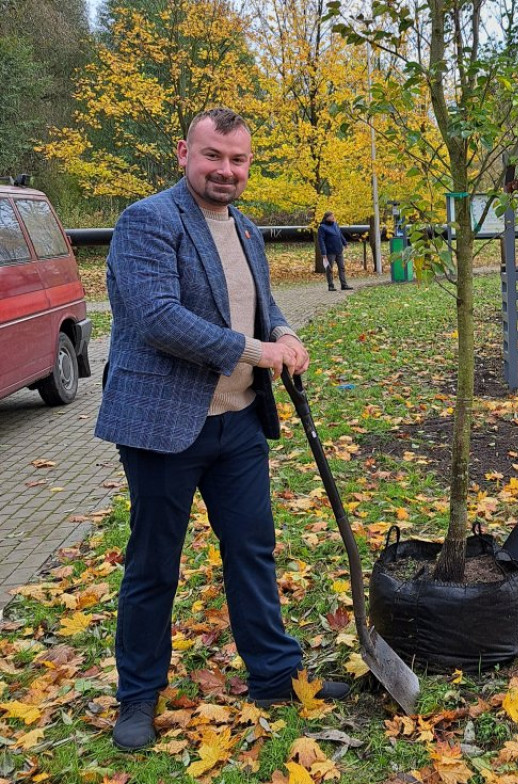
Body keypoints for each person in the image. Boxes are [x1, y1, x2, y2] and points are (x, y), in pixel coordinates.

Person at [96, 108, 350, 752]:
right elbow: (157, 318)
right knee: (155, 565)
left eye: (238, 160)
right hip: (163, 427)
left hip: (236, 423)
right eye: (213, 156)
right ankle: (138, 695)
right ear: (185, 152)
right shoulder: (146, 221)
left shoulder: (244, 227)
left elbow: (262, 304)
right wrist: (256, 350)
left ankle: (273, 675)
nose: (225, 171)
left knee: (252, 553)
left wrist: (284, 330)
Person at [317, 211, 351, 290]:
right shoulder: (322, 227)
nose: (333, 217)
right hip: (329, 252)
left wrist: (345, 243)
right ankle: (331, 285)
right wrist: (323, 252)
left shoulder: (335, 224)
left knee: (342, 267)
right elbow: (321, 240)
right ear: (327, 218)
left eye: (333, 216)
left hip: (339, 250)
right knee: (329, 269)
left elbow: (340, 235)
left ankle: (344, 284)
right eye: (331, 216)